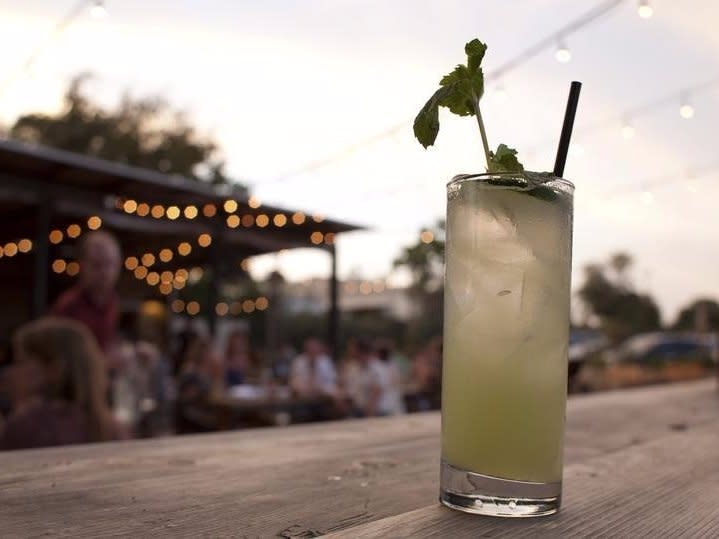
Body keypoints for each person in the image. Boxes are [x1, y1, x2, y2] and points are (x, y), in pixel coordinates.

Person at [0, 318, 127, 450]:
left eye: (20, 362)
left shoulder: (26, 428)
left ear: (53, 369)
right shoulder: (112, 428)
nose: (8, 372)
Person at [51, 231, 122, 354]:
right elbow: (61, 360)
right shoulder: (68, 306)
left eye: (109, 264)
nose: (104, 272)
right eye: (97, 265)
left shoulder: (112, 300)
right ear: (82, 265)